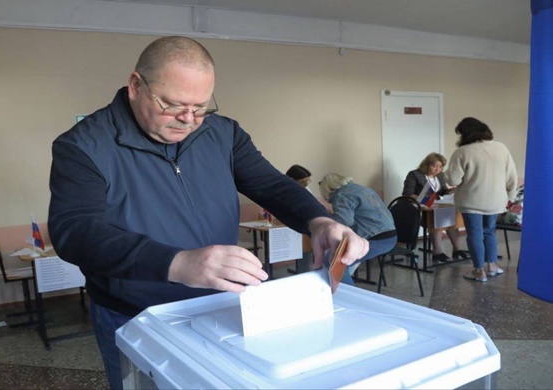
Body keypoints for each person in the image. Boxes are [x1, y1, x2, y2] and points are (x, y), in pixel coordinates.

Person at [47, 36, 369, 389]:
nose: (188, 119)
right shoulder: (84, 145)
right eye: (173, 105)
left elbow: (272, 186)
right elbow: (75, 231)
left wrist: (318, 220)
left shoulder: (223, 133)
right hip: (135, 313)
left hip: (221, 306)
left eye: (201, 107)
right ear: (136, 85)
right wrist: (178, 263)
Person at [443, 117, 518, 282]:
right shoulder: (501, 147)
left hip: (471, 202)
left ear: (465, 133)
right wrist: (510, 196)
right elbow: (511, 174)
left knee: (474, 235)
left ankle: (479, 271)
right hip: (496, 201)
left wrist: (445, 174)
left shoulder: (462, 152)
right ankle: (492, 267)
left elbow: (453, 180)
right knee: (489, 232)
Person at [318, 174, 398, 285]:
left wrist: (327, 217)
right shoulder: (363, 189)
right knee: (341, 257)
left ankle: (348, 297)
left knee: (333, 261)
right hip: (390, 236)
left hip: (375, 238)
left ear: (327, 188)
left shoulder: (341, 195)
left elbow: (343, 223)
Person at [402, 152, 470, 263]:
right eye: (435, 166)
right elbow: (407, 194)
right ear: (427, 165)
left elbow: (442, 192)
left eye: (440, 167)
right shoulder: (414, 175)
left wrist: (452, 190)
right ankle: (437, 251)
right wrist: (426, 198)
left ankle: (457, 249)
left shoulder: (440, 175)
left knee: (451, 216)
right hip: (420, 208)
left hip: (437, 206)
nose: (437, 169)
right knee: (438, 216)